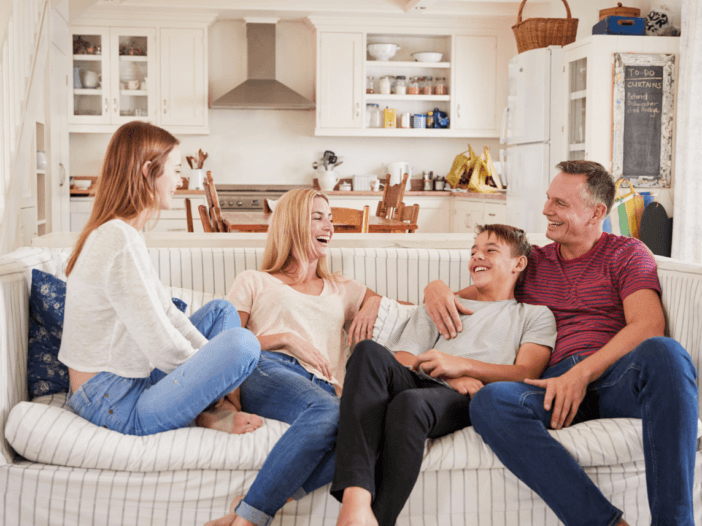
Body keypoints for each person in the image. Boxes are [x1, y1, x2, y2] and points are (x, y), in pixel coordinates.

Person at [423, 161, 699, 526]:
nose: (546, 210)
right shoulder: (532, 263)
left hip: (614, 377)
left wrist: (582, 374)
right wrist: (434, 288)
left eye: (560, 204)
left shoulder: (627, 254)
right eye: (549, 199)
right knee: (491, 402)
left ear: (596, 212)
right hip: (551, 386)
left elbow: (648, 325)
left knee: (667, 353)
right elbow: (464, 298)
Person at [332, 224, 558, 526]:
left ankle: (379, 519)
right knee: (368, 351)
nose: (478, 257)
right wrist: (448, 375)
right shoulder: (444, 304)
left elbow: (526, 372)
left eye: (490, 250)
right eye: (474, 251)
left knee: (410, 405)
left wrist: (461, 366)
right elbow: (403, 358)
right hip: (434, 380)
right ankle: (356, 500)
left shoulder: (533, 315)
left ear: (519, 263)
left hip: (471, 395)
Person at [58, 121, 262, 438]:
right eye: (176, 169)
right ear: (148, 171)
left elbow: (166, 313)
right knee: (244, 345)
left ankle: (207, 410)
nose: (180, 180)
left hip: (124, 382)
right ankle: (210, 411)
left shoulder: (122, 233)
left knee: (222, 311)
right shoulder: (118, 239)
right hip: (112, 402)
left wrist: (209, 373)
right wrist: (210, 375)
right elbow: (162, 346)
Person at [207, 188, 383, 526]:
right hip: (266, 368)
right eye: (317, 217)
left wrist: (375, 301)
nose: (329, 226)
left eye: (330, 219)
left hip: (321, 387)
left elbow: (394, 308)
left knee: (368, 430)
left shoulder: (343, 287)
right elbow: (224, 348)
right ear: (290, 225)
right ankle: (249, 521)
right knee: (329, 410)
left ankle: (250, 507)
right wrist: (287, 339)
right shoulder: (254, 281)